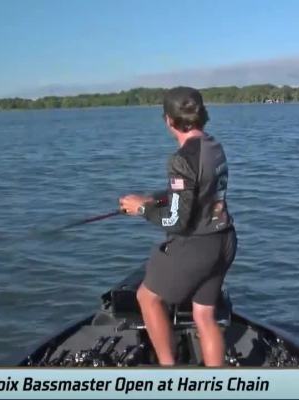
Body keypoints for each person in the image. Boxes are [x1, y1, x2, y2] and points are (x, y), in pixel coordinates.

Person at [119, 87, 237, 366]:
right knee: (204, 316)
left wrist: (141, 209)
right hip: (224, 240)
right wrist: (153, 198)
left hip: (196, 246)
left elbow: (176, 220)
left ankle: (168, 369)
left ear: (169, 120)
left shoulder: (181, 159)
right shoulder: (214, 146)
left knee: (147, 297)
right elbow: (194, 191)